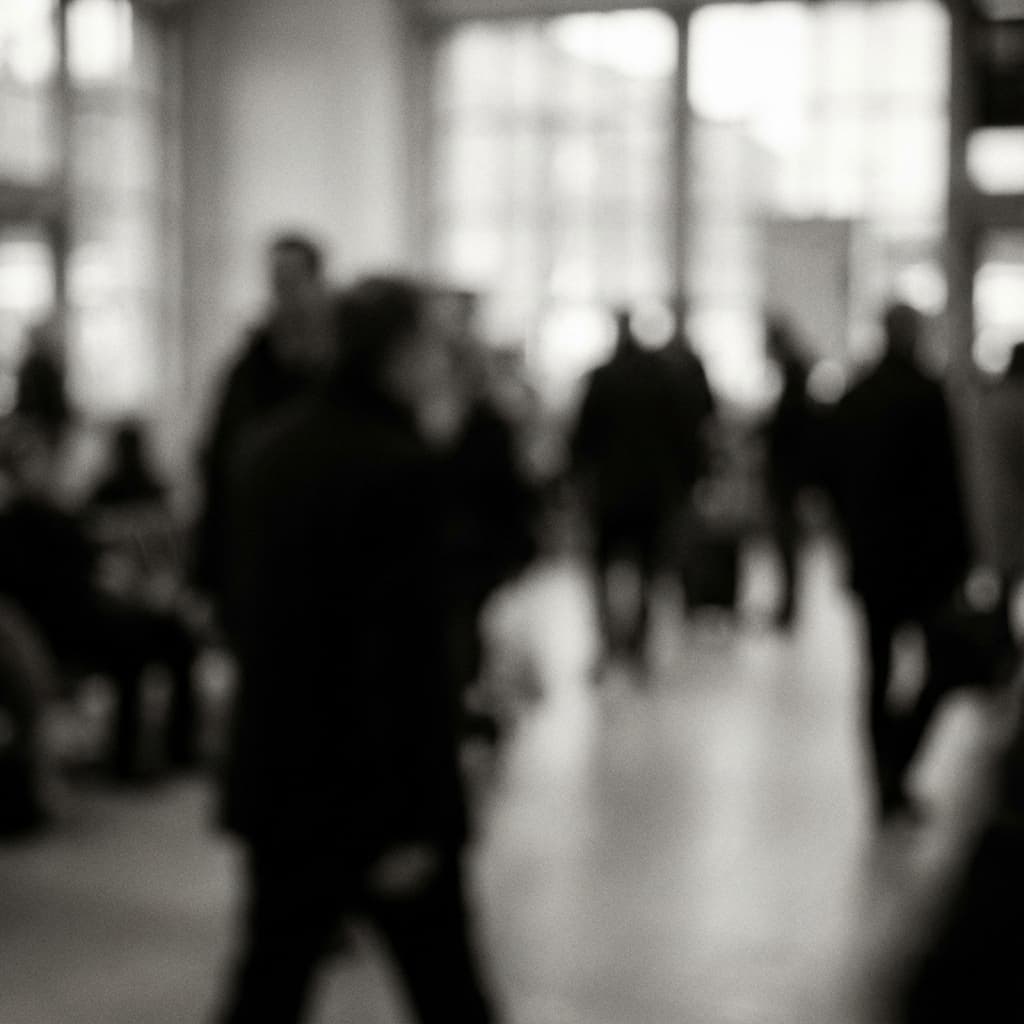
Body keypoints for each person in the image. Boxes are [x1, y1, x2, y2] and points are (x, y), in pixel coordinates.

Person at [213, 276, 496, 1024]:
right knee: (449, 993)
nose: (444, 361)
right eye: (433, 346)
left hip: (282, 775)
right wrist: (416, 819)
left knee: (267, 987)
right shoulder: (399, 468)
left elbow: (245, 612)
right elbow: (403, 662)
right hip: (376, 792)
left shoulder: (268, 449)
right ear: (398, 354)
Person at [827, 303, 971, 820]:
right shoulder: (926, 396)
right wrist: (963, 558)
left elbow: (828, 475)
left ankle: (883, 774)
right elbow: (949, 487)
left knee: (877, 667)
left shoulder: (857, 395)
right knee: (938, 663)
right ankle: (897, 765)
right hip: (922, 561)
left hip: (872, 556)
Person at [193, 232, 333, 625]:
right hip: (258, 557)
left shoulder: (341, 373)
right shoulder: (247, 372)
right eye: (277, 283)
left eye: (292, 282)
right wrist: (207, 576)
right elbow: (219, 467)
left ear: (317, 285)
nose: (284, 296)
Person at [571, 308, 694, 672]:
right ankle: (638, 644)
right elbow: (683, 435)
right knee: (648, 568)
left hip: (611, 490)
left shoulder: (604, 377)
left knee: (604, 567)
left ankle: (609, 644)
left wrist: (579, 479)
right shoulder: (663, 377)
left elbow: (583, 437)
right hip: (653, 490)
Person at [763, 316, 813, 629]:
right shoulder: (793, 378)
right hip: (788, 474)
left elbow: (793, 430)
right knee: (785, 544)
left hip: (788, 475)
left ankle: (789, 605)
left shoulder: (794, 381)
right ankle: (787, 603)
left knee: (787, 542)